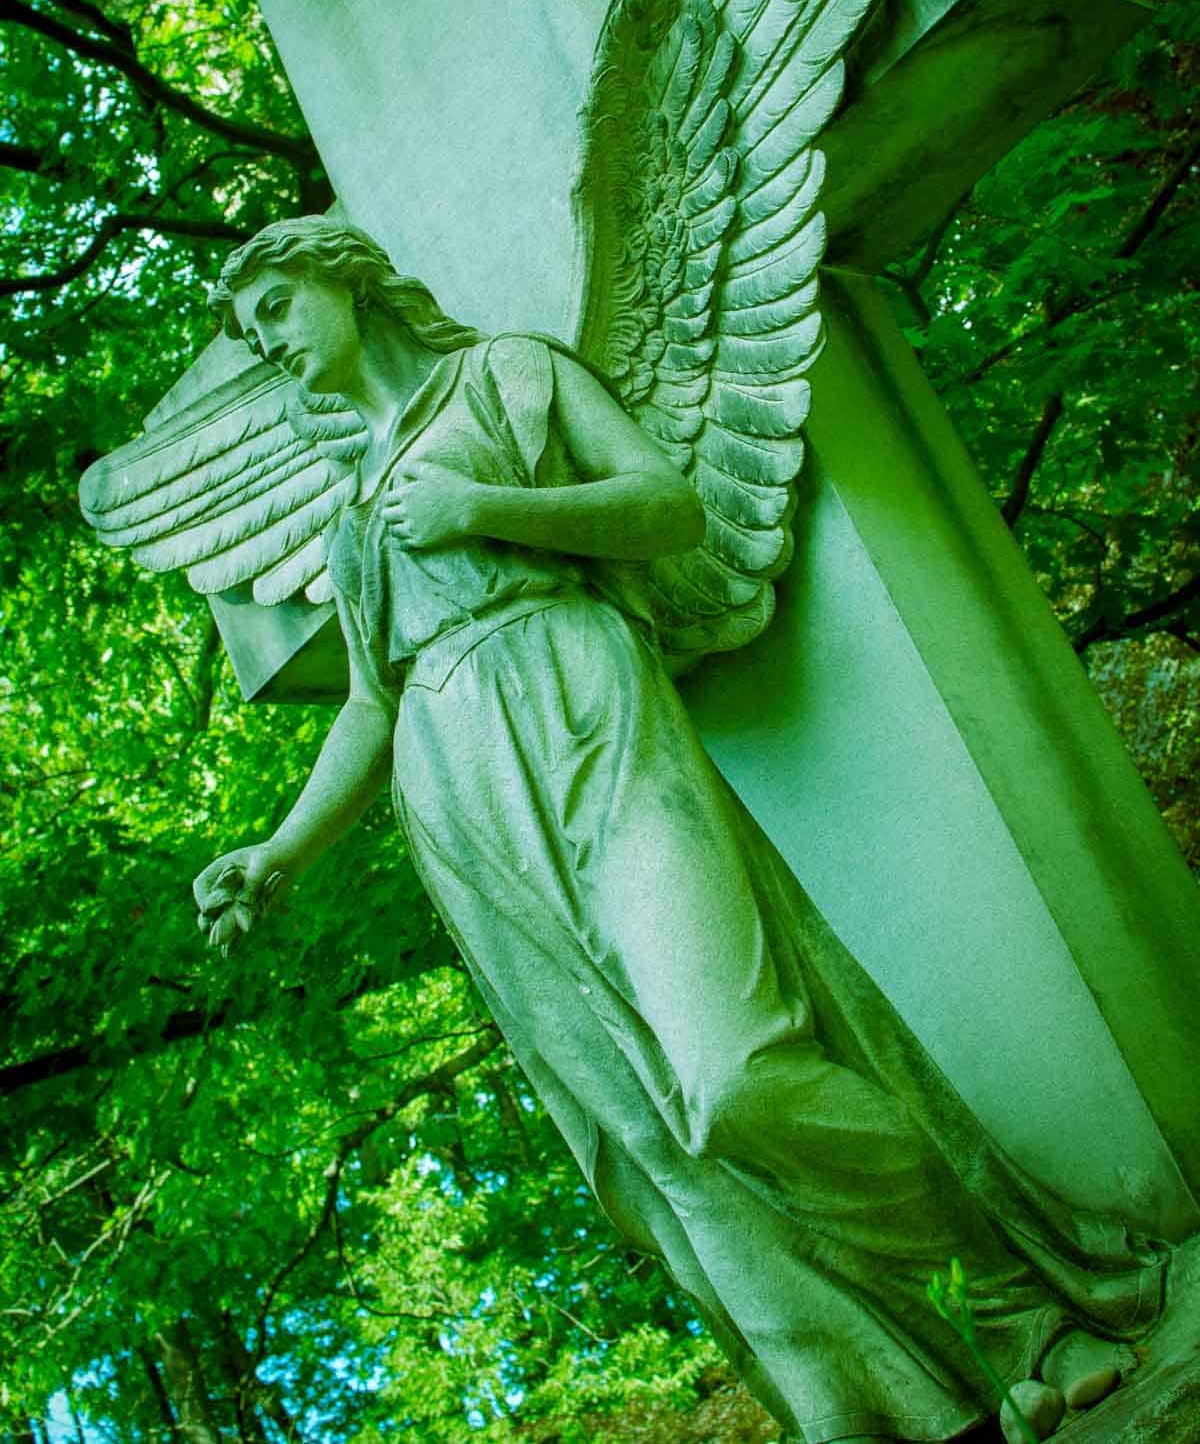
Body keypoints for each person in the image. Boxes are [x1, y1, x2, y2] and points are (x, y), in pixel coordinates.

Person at [194, 214, 1153, 1444]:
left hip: (589, 714)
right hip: (466, 804)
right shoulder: (353, 516)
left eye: (274, 306)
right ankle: (891, 1397)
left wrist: (485, 502)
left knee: (734, 1075)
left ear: (346, 279)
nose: (265, 341)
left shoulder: (510, 374)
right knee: (657, 1136)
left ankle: (1025, 1304)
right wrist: (278, 849)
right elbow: (373, 707)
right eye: (247, 329)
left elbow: (667, 506)